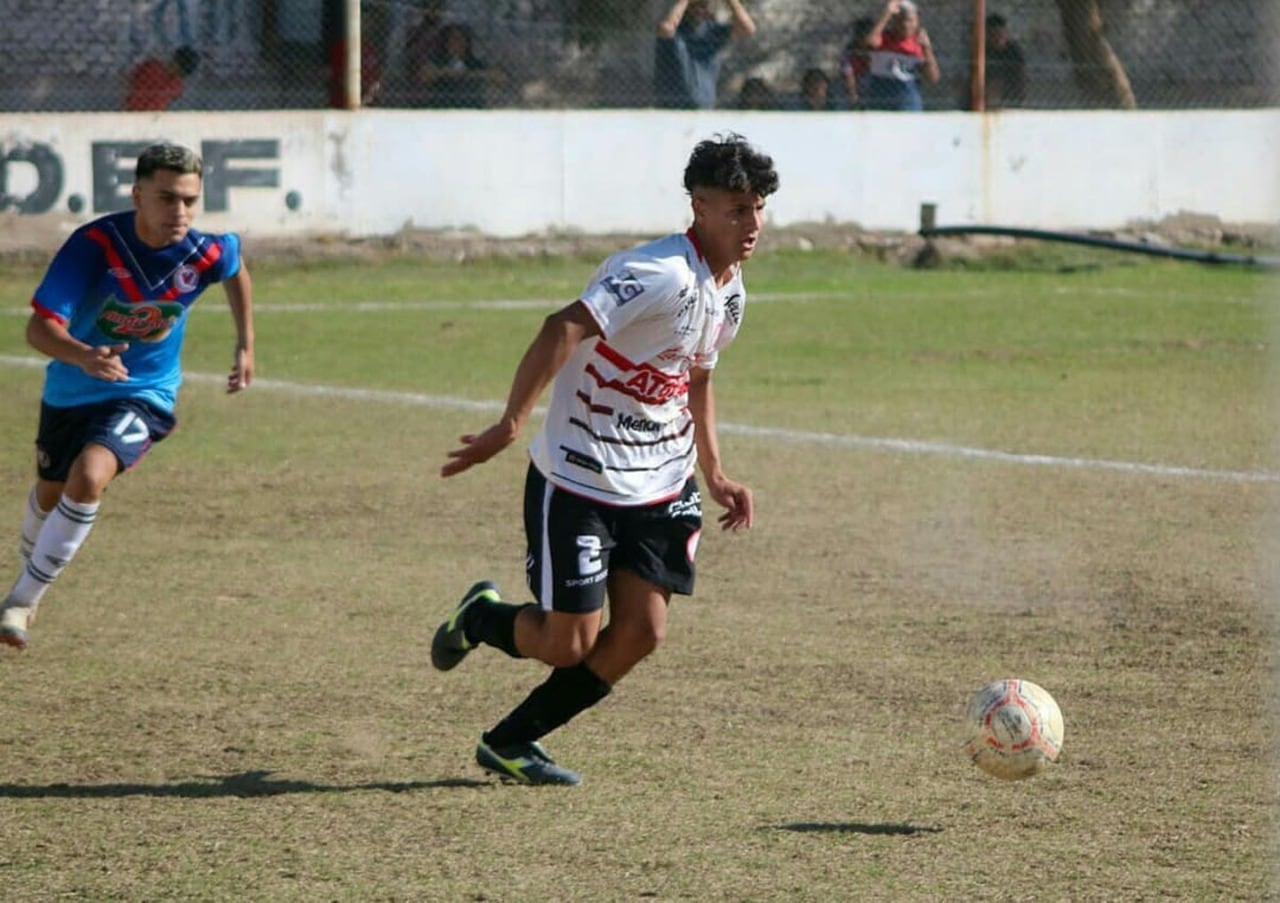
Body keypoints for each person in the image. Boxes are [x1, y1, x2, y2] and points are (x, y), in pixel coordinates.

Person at [432, 133, 779, 786]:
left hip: (662, 480)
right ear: (698, 206)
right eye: (736, 208)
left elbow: (695, 378)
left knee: (643, 631)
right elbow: (561, 325)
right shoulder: (656, 272)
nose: (752, 222)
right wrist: (511, 422)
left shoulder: (730, 291)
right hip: (580, 475)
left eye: (758, 206)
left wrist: (715, 469)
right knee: (569, 642)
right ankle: (480, 616)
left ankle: (511, 741)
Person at [0, 143, 255, 651]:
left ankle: (22, 601)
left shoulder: (203, 250)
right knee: (50, 493)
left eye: (189, 200)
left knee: (90, 475)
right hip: (72, 389)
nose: (179, 212)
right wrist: (83, 356)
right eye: (166, 198)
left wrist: (245, 345)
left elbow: (235, 268)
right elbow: (40, 328)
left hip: (146, 393)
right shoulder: (96, 244)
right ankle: (27, 574)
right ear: (138, 195)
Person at [654, 0, 757, 110]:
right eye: (694, 6)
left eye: (703, 6)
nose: (699, 10)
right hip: (672, 109)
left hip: (704, 108)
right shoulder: (677, 30)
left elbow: (747, 29)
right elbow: (666, 28)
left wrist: (730, 2)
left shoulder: (712, 31)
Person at [862, 0, 939, 111]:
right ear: (894, 21)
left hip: (907, 104)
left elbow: (933, 77)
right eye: (901, 20)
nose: (906, 25)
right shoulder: (884, 38)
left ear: (917, 22)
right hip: (880, 101)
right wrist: (886, 14)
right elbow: (869, 43)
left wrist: (927, 50)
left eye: (911, 21)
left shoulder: (918, 44)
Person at [413, 22, 506, 109]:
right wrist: (449, 72)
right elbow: (424, 75)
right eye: (453, 39)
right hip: (441, 107)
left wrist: (470, 74)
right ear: (446, 43)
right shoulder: (439, 61)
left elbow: (500, 77)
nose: (457, 43)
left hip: (472, 107)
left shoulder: (473, 63)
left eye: (461, 39)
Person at [124, 46, 200, 111]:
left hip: (152, 117)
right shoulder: (153, 67)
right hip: (132, 110)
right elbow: (130, 78)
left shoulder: (176, 85)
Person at [983, 12, 1026, 109]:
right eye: (994, 35)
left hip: (1008, 84)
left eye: (1000, 34)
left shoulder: (1013, 50)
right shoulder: (983, 50)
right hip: (989, 84)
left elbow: (1020, 74)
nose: (998, 38)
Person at [837, 16, 874, 109]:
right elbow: (848, 74)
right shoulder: (849, 51)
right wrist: (853, 95)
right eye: (860, 35)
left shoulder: (877, 49)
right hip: (857, 83)